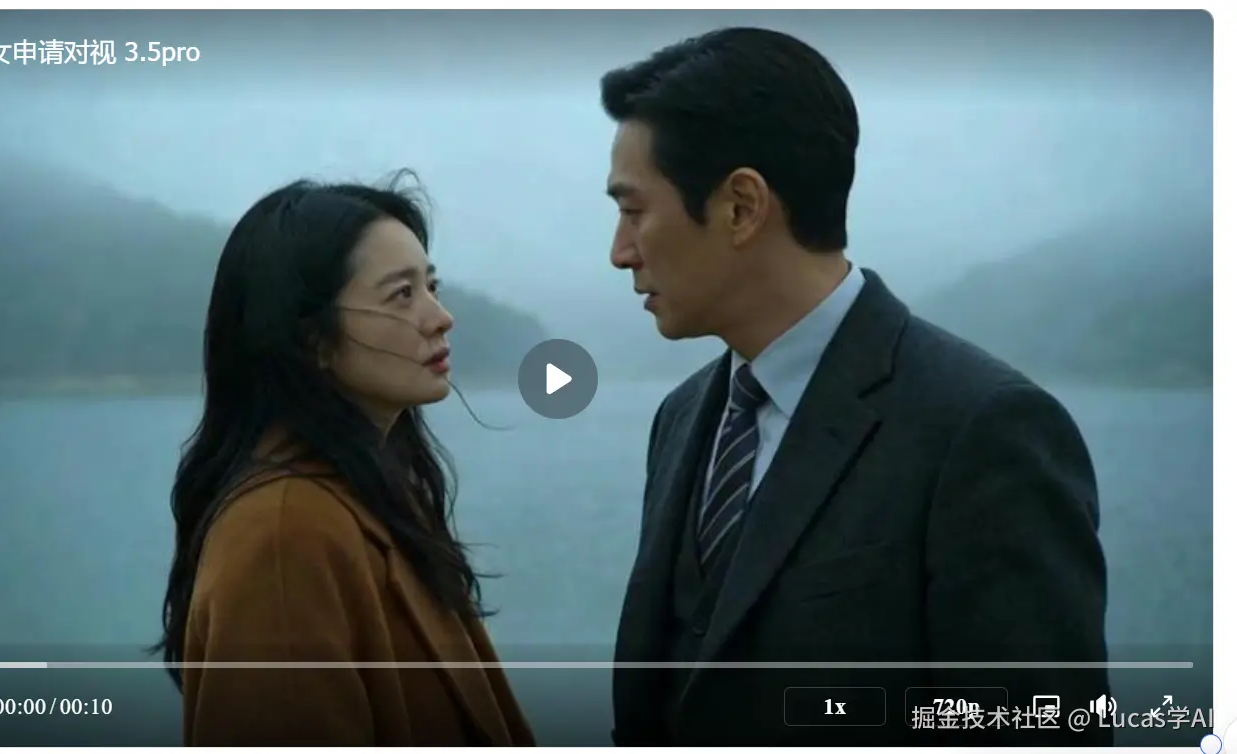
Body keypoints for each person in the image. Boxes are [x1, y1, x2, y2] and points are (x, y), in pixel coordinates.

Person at [601, 28, 1111, 746]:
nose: (619, 251)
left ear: (742, 206)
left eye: (633, 211)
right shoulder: (683, 416)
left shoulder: (983, 429)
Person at [152, 175, 535, 746]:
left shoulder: (372, 493)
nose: (441, 316)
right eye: (402, 295)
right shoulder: (283, 533)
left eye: (431, 286)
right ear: (313, 340)